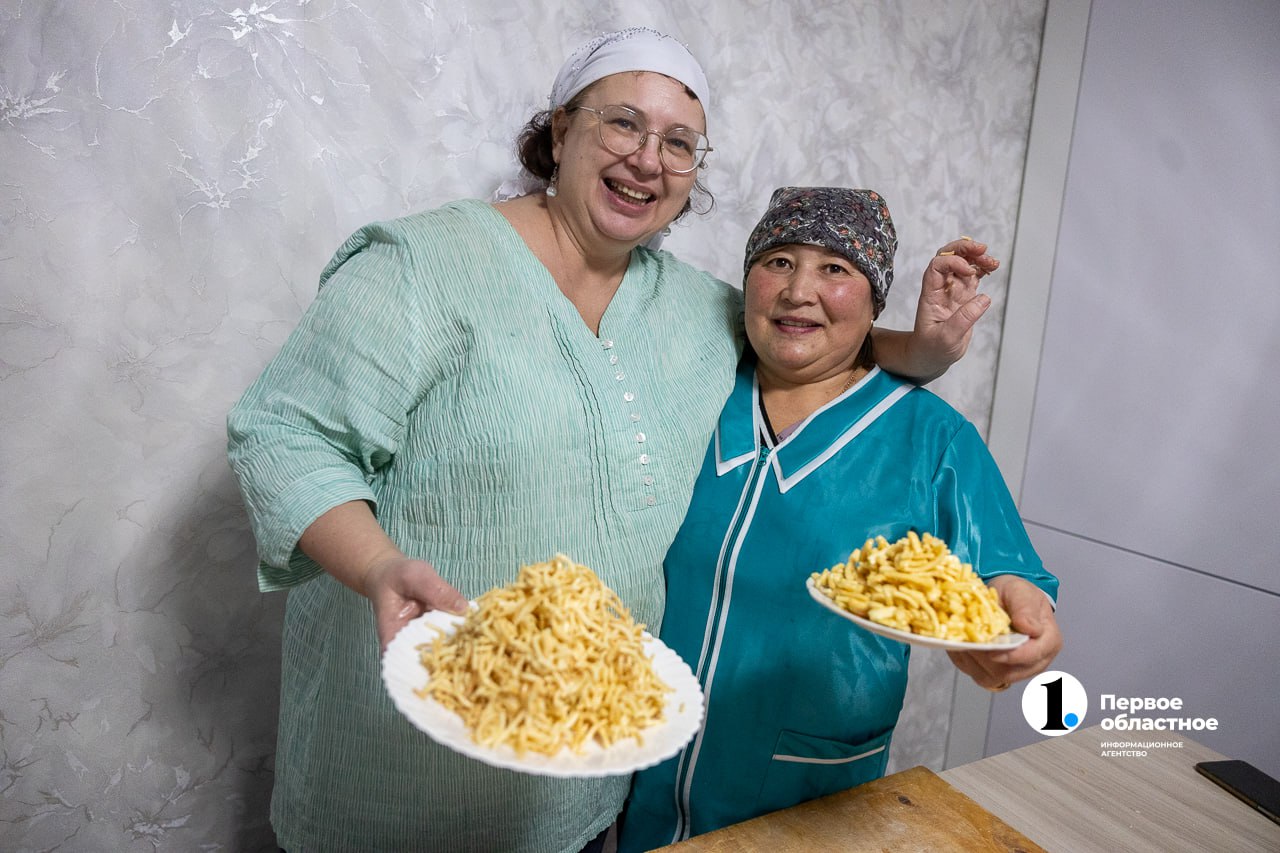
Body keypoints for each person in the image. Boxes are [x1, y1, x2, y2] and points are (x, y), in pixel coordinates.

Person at [226, 28, 992, 853]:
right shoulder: (420, 264)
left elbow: (804, 332)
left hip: (585, 789)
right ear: (560, 131)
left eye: (679, 143)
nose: (648, 159)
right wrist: (378, 566)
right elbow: (287, 433)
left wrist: (925, 350)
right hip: (396, 781)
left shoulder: (698, 308)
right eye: (623, 122)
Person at [618, 187, 1062, 850]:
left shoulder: (930, 437)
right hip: (638, 780)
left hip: (805, 793)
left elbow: (1007, 575)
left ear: (874, 300)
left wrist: (1018, 625)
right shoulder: (696, 387)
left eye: (835, 268)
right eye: (778, 262)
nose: (799, 291)